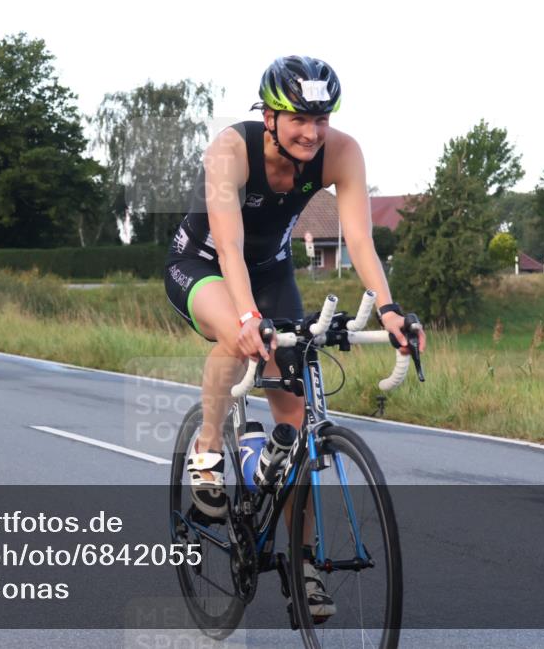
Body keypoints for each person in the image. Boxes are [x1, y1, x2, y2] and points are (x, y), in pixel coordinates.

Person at [164, 55, 427, 619]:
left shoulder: (343, 152)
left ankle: (303, 563)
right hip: (205, 262)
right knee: (236, 341)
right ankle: (208, 453)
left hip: (274, 270)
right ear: (269, 114)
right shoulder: (230, 151)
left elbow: (358, 237)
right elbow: (230, 248)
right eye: (299, 118)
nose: (312, 131)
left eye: (322, 117)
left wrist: (389, 308)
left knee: (299, 421)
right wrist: (246, 319)